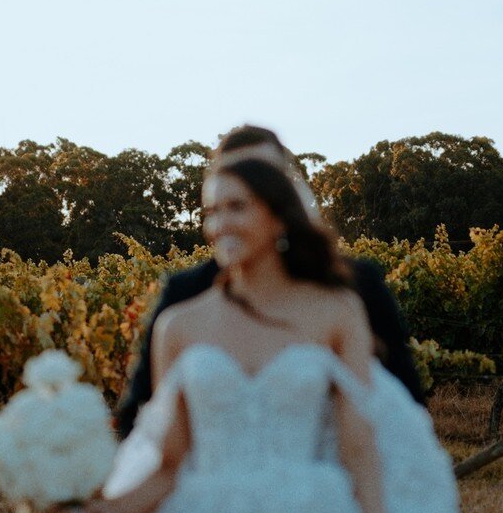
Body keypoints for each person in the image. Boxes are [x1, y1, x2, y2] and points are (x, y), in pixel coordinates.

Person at [84, 155, 390, 513]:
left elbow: (359, 451)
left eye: (237, 207)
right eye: (212, 211)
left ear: (279, 218)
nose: (221, 223)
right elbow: (168, 469)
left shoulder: (336, 312)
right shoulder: (178, 327)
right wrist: (107, 509)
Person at [114, 125, 423, 439]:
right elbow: (142, 412)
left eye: (260, 178)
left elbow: (403, 403)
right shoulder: (184, 294)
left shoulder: (356, 285)